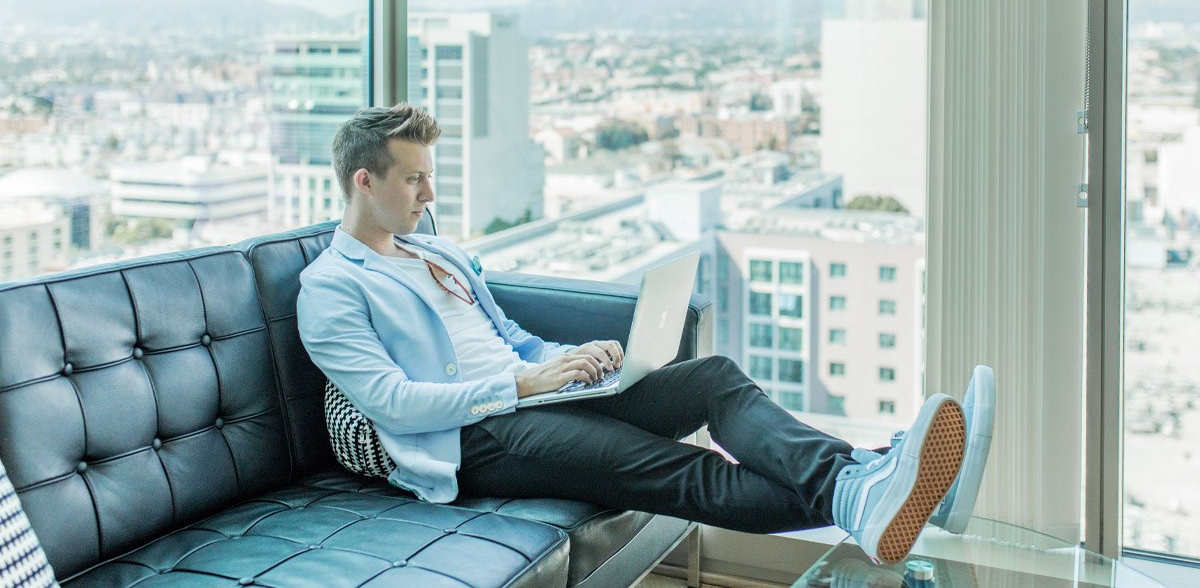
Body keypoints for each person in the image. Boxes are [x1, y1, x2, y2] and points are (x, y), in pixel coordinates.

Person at [297, 104, 995, 565]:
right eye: (413, 179)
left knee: (714, 378)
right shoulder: (331, 287)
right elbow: (393, 402)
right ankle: (883, 485)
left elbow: (504, 331)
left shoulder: (435, 250)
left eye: (429, 177)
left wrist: (565, 360)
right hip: (474, 437)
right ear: (364, 180)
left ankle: (870, 483)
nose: (427, 194)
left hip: (536, 395)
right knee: (675, 468)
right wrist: (519, 382)